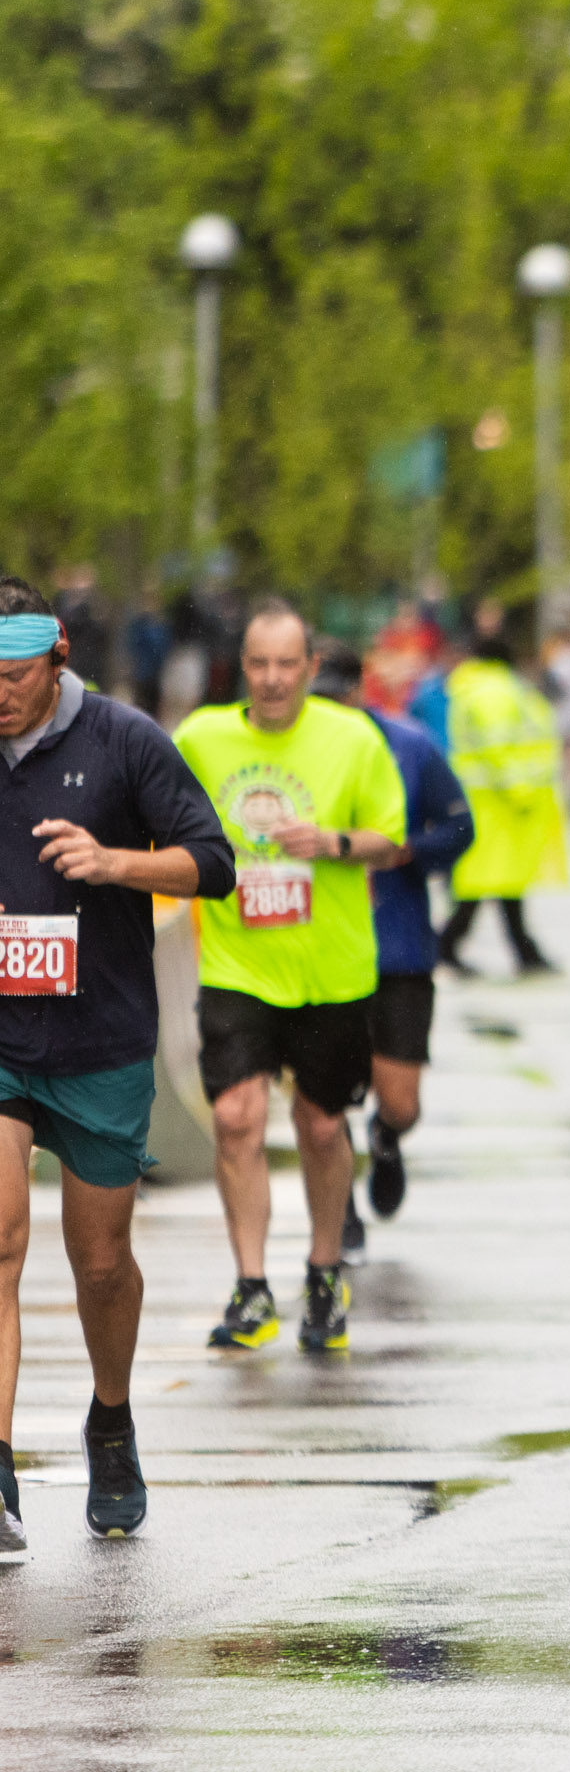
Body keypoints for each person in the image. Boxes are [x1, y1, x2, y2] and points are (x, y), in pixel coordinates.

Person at [0, 582, 234, 1548]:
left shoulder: (127, 740)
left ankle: (111, 1421)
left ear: (56, 660)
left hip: (100, 1037)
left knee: (99, 1266)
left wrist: (115, 864)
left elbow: (212, 862)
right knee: (0, 1242)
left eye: (12, 677)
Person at [176, 602, 406, 1356]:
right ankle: (251, 1286)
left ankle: (323, 1267)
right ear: (240, 668)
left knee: (319, 1123)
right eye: (258, 665)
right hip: (238, 965)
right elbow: (156, 811)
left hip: (332, 971)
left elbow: (392, 841)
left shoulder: (353, 738)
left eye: (286, 665)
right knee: (238, 1118)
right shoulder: (203, 737)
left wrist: (332, 840)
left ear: (311, 668)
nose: (272, 680)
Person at [313, 643, 474, 1238]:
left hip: (397, 947)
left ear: (359, 692)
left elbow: (461, 825)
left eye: (336, 697)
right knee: (326, 1105)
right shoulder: (292, 759)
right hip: (319, 951)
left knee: (401, 1101)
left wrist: (410, 851)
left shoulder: (408, 746)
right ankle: (339, 1208)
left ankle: (385, 1138)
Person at [439, 632, 568, 976]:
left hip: (493, 804)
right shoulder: (494, 691)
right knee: (484, 880)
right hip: (499, 806)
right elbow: (498, 749)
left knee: (501, 880)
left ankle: (521, 948)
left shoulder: (481, 689)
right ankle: (448, 945)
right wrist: (520, 791)